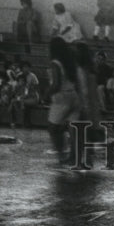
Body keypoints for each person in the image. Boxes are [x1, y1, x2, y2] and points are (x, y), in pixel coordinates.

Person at [47, 36, 81, 164]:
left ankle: (61, 154)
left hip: (62, 97)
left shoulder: (55, 63)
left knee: (53, 127)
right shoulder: (69, 62)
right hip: (73, 95)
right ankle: (74, 156)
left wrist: (46, 94)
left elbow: (56, 84)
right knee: (73, 129)